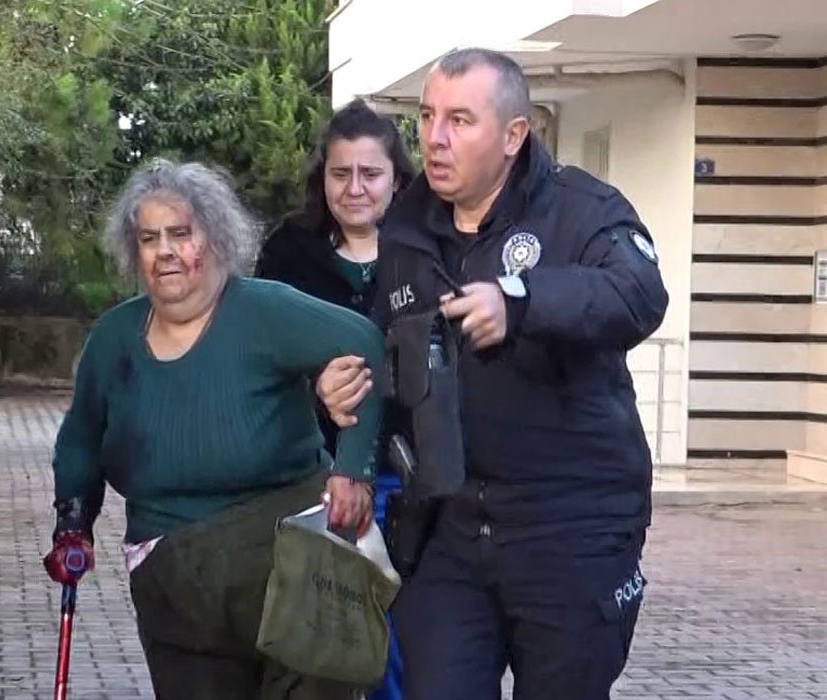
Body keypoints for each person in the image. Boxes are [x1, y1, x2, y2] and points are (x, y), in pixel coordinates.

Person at [316, 47, 669, 700]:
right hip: (448, 530)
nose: (435, 137)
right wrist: (347, 392)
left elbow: (639, 294)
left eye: (460, 120)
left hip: (573, 530)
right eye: (427, 117)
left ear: (513, 135)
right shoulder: (406, 229)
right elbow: (387, 350)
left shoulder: (583, 210)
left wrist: (522, 301)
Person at [43, 158, 385, 700]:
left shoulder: (263, 310)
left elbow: (364, 341)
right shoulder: (114, 337)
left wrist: (353, 471)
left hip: (291, 563)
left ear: (216, 238)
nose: (165, 251)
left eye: (181, 234)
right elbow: (81, 437)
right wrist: (73, 521)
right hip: (176, 583)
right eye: (149, 238)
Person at [254, 97, 417, 700]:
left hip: (411, 482)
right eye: (340, 173)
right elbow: (262, 355)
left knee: (400, 648)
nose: (354, 188)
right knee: (322, 647)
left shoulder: (425, 252)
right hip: (312, 480)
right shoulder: (289, 252)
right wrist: (313, 385)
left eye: (370, 173)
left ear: (396, 179)